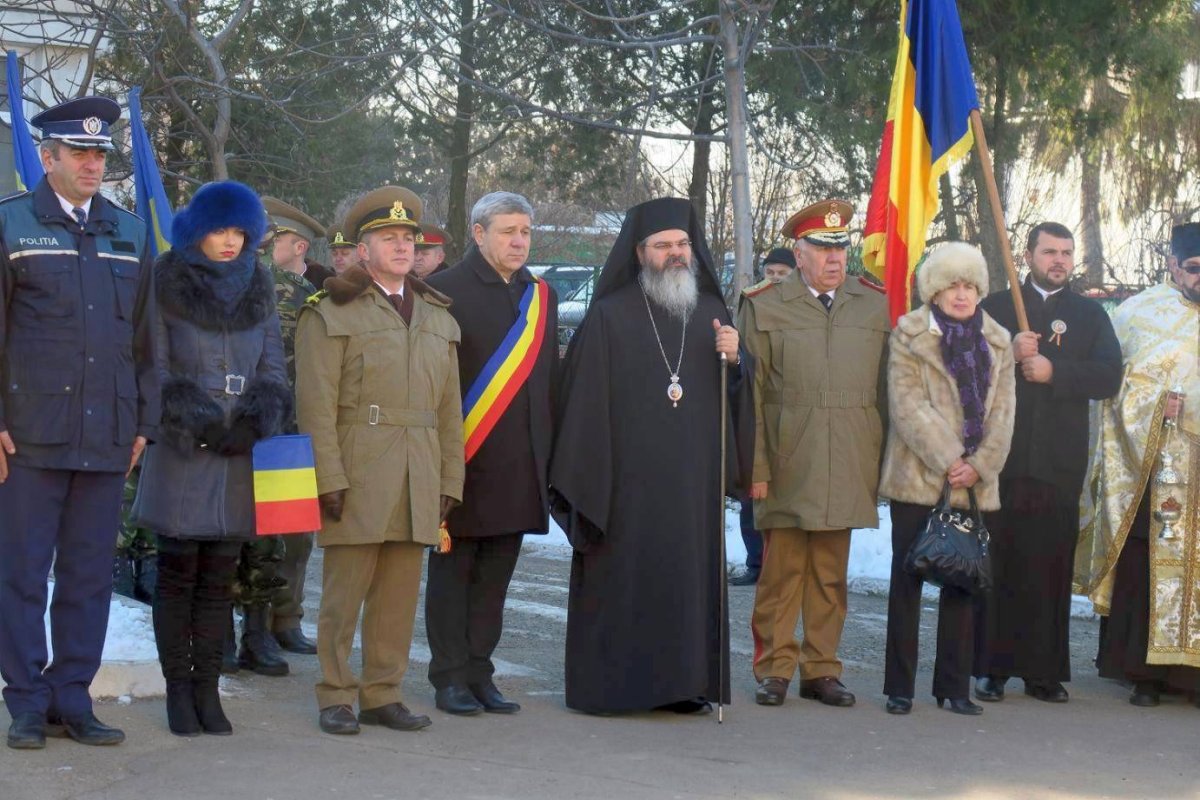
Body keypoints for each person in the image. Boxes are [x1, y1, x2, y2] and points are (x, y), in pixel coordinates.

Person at [550, 197, 752, 715]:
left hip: (690, 484)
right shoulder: (610, 315)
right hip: (627, 485)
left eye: (682, 244)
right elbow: (583, 404)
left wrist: (737, 360)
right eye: (662, 246)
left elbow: (732, 398)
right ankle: (619, 688)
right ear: (639, 253)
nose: (676, 254)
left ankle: (685, 686)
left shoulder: (711, 314)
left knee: (687, 581)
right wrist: (593, 476)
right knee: (628, 579)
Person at [0, 97, 158, 750]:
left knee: (91, 578)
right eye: (81, 154)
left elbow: (148, 340)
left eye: (101, 155)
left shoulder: (128, 232)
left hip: (106, 436)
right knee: (21, 575)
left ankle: (74, 699)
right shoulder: (11, 228)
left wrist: (142, 422)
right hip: (29, 437)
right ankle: (27, 703)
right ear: (48, 158)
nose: (94, 164)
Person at [296, 186, 464, 735]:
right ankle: (336, 693)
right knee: (344, 595)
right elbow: (315, 405)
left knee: (397, 595)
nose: (400, 246)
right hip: (358, 465)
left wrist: (449, 479)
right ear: (362, 249)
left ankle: (381, 692)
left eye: (407, 238)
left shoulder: (438, 316)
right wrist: (328, 476)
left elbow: (448, 410)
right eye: (387, 238)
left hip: (419, 467)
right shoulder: (331, 311)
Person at [131, 180, 289, 736]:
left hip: (237, 454)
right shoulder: (165, 278)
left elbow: (273, 367)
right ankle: (179, 690)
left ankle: (207, 691)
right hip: (182, 449)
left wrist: (252, 422)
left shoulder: (259, 283)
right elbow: (156, 365)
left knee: (219, 577)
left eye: (240, 231)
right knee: (177, 575)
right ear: (197, 230)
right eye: (221, 229)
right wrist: (195, 419)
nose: (230, 241)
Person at [739, 200, 888, 708]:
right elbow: (750, 396)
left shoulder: (872, 303)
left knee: (830, 571)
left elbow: (888, 389)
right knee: (781, 571)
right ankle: (775, 669)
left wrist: (882, 461)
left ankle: (822, 669)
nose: (835, 259)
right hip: (787, 452)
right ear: (798, 253)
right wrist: (754, 467)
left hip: (850, 450)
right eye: (823, 249)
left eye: (841, 249)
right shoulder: (764, 303)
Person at [973, 223, 1121, 704]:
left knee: (1049, 566)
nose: (1058, 260)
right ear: (1029, 254)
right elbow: (963, 368)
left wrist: (1055, 371)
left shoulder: (1090, 314)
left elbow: (1108, 375)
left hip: (1058, 461)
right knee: (998, 563)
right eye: (1049, 251)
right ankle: (990, 668)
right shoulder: (996, 307)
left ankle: (1043, 671)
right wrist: (1008, 354)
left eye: (1066, 252)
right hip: (1003, 457)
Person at [424, 192, 558, 715]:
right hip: (462, 464)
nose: (519, 241)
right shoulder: (440, 291)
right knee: (453, 577)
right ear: (479, 234)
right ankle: (448, 677)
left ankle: (481, 671)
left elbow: (547, 384)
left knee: (496, 580)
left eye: (525, 231)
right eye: (507, 231)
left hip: (520, 465)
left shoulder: (539, 295)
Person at [877, 242, 1015, 716]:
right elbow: (907, 405)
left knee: (964, 579)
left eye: (970, 286)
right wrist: (952, 457)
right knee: (907, 579)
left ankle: (953, 687)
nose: (962, 294)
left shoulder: (998, 341)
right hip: (919, 477)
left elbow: (1003, 412)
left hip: (976, 481)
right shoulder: (909, 334)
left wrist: (979, 465)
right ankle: (899, 687)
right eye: (952, 285)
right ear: (934, 291)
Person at [1078, 221, 1200, 708]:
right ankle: (1144, 674)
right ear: (1172, 265)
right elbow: (1114, 385)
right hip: (1159, 462)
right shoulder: (1136, 314)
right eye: (1193, 269)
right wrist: (1153, 406)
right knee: (1148, 559)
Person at [260, 197, 327, 650]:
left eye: (273, 239)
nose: (263, 247)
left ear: (298, 245)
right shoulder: (250, 286)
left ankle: (286, 619)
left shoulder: (319, 297)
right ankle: (250, 623)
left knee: (295, 533)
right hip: (254, 426)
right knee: (250, 531)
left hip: (294, 430)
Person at [730, 247, 797, 587]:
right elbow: (744, 362)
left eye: (781, 274)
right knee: (751, 501)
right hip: (756, 416)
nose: (774, 279)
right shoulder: (753, 306)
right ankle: (757, 563)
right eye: (769, 273)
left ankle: (782, 567)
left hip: (791, 423)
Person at [263, 196, 333, 292]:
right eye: (264, 238)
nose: (265, 244)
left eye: (275, 240)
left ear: (299, 248)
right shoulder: (250, 282)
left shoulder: (326, 290)